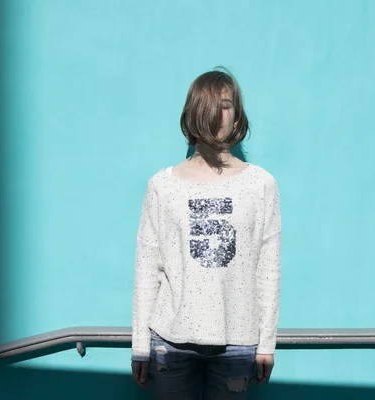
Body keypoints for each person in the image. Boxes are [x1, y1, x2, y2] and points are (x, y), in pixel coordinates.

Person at [131, 67, 281, 399]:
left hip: (237, 343)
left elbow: (267, 270)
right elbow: (147, 268)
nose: (217, 112)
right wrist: (140, 344)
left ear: (237, 113)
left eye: (225, 104)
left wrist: (266, 342)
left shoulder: (261, 185)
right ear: (194, 112)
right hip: (171, 343)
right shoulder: (162, 185)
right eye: (209, 104)